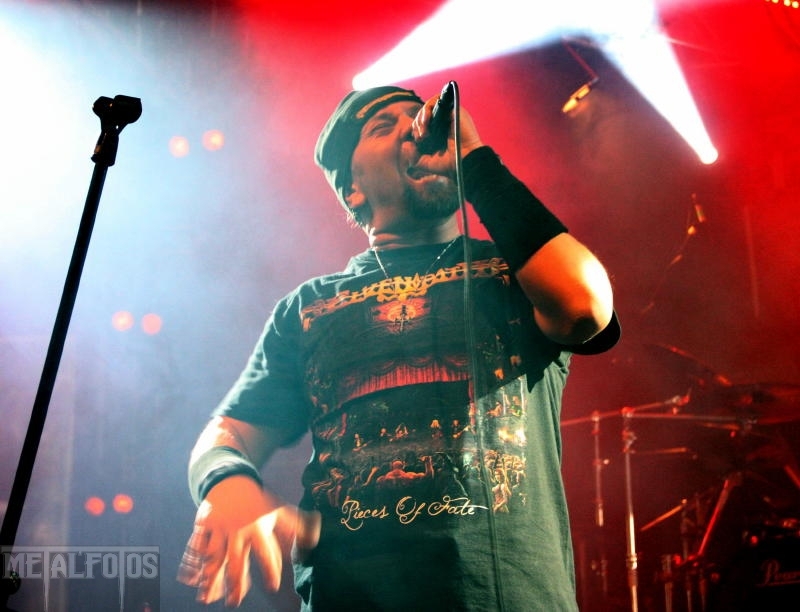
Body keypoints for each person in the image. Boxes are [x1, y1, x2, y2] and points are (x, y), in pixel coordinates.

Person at [178, 84, 619, 611]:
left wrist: (475, 159)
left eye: (417, 118)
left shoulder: (515, 272)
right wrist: (226, 483)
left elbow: (584, 306)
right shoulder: (309, 308)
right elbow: (226, 433)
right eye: (383, 127)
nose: (414, 131)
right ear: (353, 189)